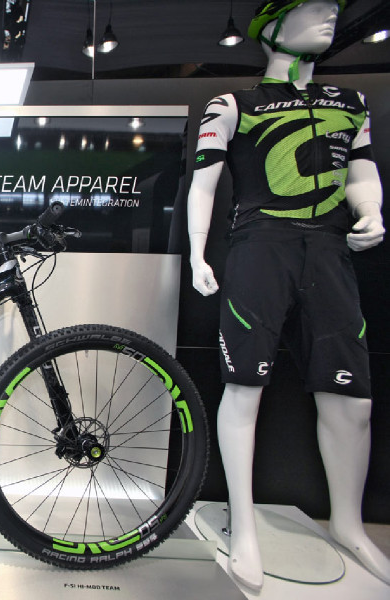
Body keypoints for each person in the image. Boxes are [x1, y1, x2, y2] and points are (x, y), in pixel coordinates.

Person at [186, 0, 389, 590]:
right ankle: (244, 526)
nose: (328, 16)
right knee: (242, 389)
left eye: (333, 8)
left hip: (330, 250)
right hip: (260, 248)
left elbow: (361, 169)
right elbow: (204, 184)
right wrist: (197, 253)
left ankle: (348, 522)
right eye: (312, 7)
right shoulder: (233, 103)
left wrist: (372, 210)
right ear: (270, 27)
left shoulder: (352, 102)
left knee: (352, 401)